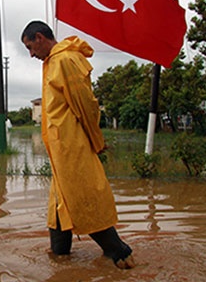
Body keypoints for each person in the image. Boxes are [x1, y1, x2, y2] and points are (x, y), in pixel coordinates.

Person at [21, 20, 135, 269]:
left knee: (82, 198)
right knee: (60, 204)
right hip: (60, 151)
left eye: (30, 47)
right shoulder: (53, 62)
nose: (31, 55)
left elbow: (86, 105)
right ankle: (59, 257)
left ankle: (119, 251)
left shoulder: (65, 60)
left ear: (40, 37)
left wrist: (96, 141)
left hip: (73, 146)